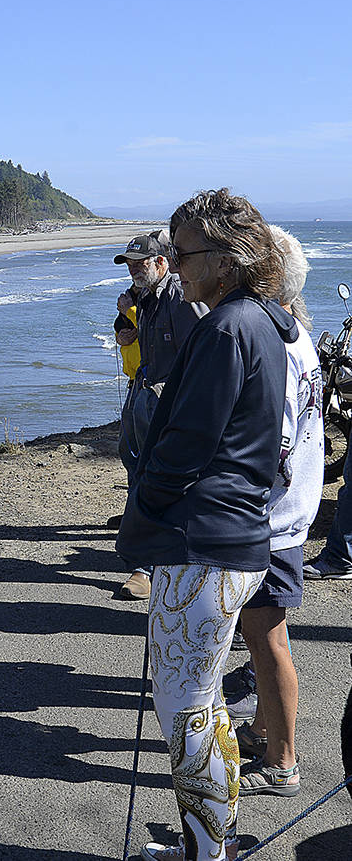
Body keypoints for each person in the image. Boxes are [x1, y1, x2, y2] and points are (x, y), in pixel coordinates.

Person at [116, 189, 296, 861]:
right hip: (236, 536)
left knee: (187, 708)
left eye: (183, 251)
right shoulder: (265, 321)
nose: (174, 264)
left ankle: (206, 852)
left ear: (225, 258)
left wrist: (147, 509)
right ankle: (206, 846)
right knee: (203, 702)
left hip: (204, 544)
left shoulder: (225, 329)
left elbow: (187, 442)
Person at [229, 226, 320, 800]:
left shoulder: (279, 347)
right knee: (262, 634)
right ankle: (265, 729)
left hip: (271, 520)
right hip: (288, 513)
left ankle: (284, 758)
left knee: (267, 637)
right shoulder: (300, 336)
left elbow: (276, 443)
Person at [112, 230, 207, 601]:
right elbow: (127, 338)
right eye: (130, 265)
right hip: (142, 391)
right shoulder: (145, 297)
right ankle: (141, 543)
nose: (135, 270)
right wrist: (127, 313)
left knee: (155, 476)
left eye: (141, 264)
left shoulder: (179, 298)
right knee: (133, 464)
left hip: (164, 402)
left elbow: (202, 354)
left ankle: (146, 565)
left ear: (162, 263)